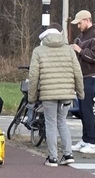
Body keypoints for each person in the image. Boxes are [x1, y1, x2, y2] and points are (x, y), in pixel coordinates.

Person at [28, 24, 83, 166]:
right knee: (62, 122)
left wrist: (32, 97)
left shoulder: (38, 51)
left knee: (50, 123)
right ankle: (68, 154)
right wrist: (80, 92)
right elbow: (78, 72)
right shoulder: (69, 50)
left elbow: (34, 76)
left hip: (48, 94)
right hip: (66, 94)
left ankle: (52, 158)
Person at [70, 9, 95, 154]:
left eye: (79, 23)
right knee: (82, 110)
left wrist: (80, 51)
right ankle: (85, 139)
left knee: (87, 110)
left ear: (87, 20)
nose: (78, 26)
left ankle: (91, 142)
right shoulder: (81, 37)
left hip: (91, 76)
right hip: (82, 76)